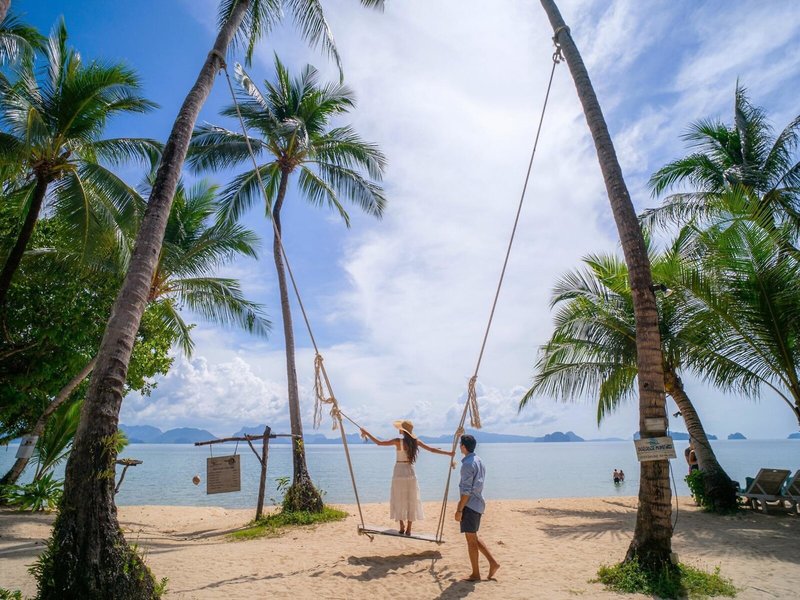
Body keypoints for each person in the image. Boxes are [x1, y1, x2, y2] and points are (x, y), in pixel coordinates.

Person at [360, 420, 453, 536]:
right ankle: (409, 528)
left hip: (399, 471)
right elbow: (432, 450)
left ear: (402, 430)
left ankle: (401, 526)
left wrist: (366, 432)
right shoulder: (415, 442)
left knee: (398, 497)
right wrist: (449, 453)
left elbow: (379, 443)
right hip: (410, 471)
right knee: (411, 498)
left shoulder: (397, 441)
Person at [455, 434, 500, 581]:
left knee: (471, 541)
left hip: (470, 505)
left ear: (463, 446)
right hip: (478, 503)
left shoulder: (467, 464)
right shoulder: (479, 460)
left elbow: (466, 491)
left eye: (460, 444)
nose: (459, 446)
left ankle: (475, 574)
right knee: (473, 537)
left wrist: (459, 510)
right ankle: (493, 563)